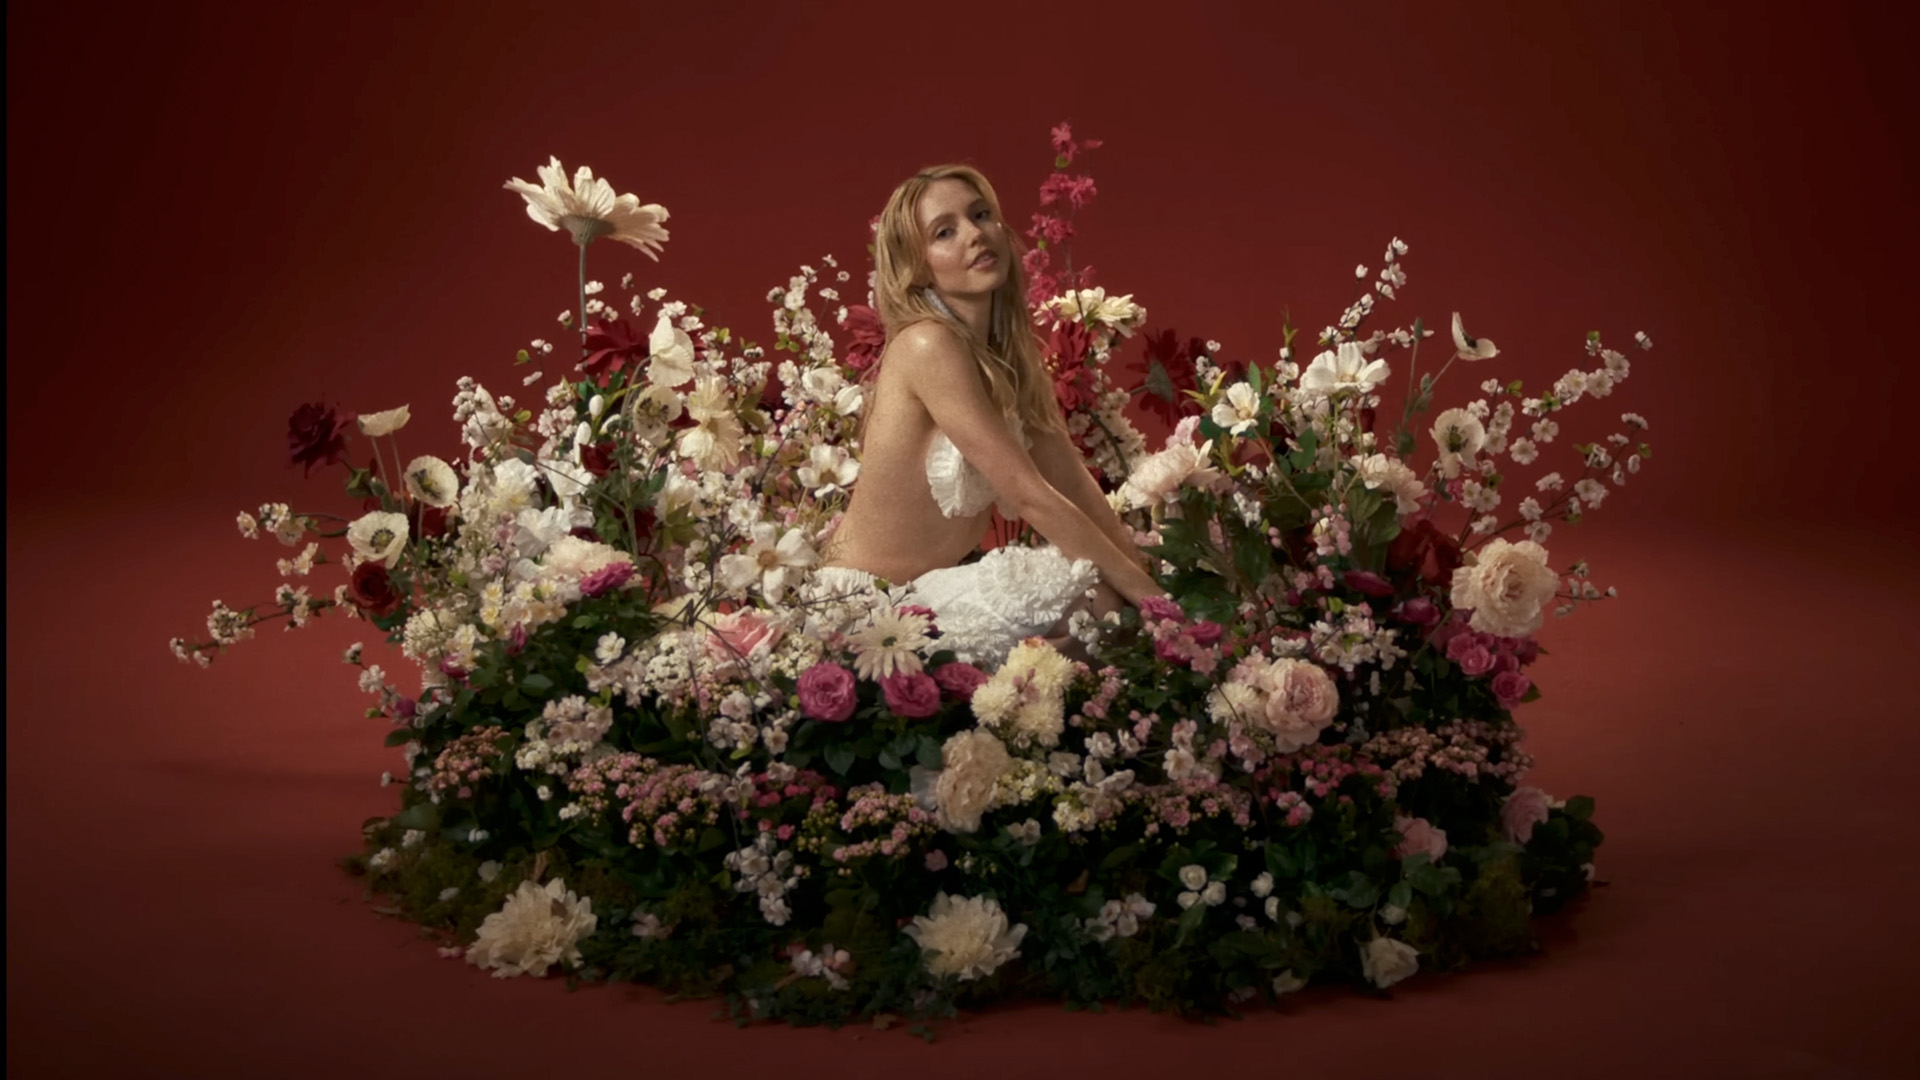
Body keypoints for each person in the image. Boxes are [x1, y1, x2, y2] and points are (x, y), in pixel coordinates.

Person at [815, 164, 1166, 665]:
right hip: (861, 611)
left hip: (928, 593)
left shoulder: (1008, 361)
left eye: (981, 215)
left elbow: (1074, 485)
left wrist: (1142, 580)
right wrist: (1159, 606)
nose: (975, 234)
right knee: (1096, 602)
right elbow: (1030, 495)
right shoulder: (926, 344)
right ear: (917, 266)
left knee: (1104, 600)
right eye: (945, 231)